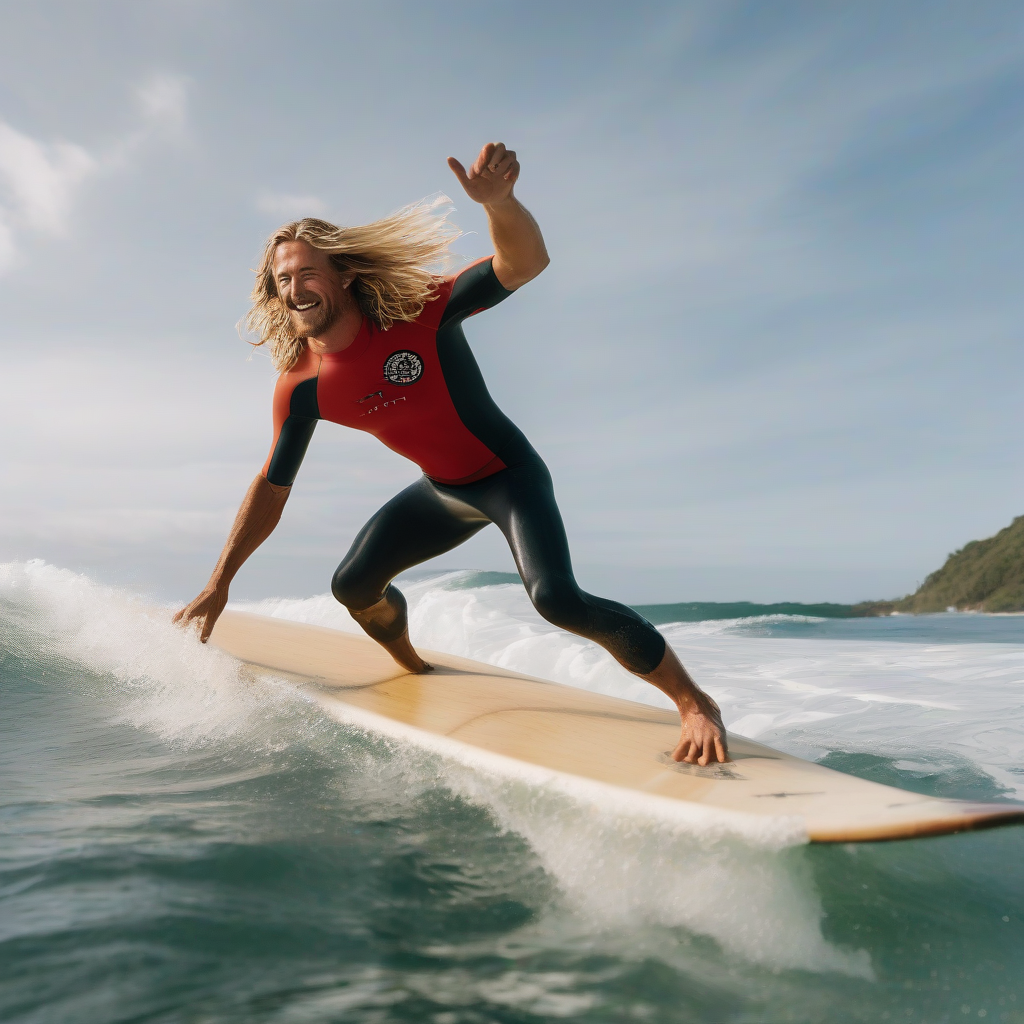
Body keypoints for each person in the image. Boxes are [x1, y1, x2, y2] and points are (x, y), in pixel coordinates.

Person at [174, 142, 728, 766]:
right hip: (444, 489)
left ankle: (694, 703)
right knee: (353, 585)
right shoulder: (301, 387)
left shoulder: (419, 314)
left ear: (344, 274)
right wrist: (219, 584)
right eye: (283, 280)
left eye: (307, 273)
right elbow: (273, 487)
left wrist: (500, 203)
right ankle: (413, 666)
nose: (294, 288)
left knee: (557, 599)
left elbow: (524, 262)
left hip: (508, 477)